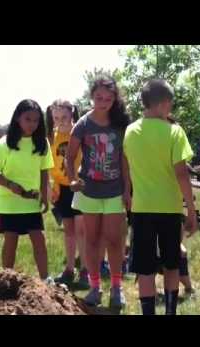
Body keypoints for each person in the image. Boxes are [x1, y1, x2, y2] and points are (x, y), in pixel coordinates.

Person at [124, 79, 198, 315]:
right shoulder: (175, 131)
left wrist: (128, 192)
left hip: (142, 208)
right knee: (171, 264)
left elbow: (127, 165)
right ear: (165, 103)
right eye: (171, 104)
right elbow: (182, 174)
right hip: (169, 208)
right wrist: (192, 210)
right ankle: (170, 312)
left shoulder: (131, 131)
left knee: (144, 268)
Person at [66, 76, 131, 309]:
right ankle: (94, 288)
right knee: (92, 240)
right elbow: (70, 156)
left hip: (114, 191)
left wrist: (127, 190)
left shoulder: (120, 123)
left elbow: (125, 160)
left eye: (108, 98)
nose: (103, 102)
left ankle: (116, 288)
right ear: (91, 96)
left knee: (115, 240)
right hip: (89, 191)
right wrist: (72, 179)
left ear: (115, 99)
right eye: (98, 97)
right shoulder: (83, 124)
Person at [0, 99, 54, 281]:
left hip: (31, 202)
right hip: (8, 203)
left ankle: (46, 280)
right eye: (28, 119)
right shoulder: (4, 144)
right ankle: (6, 280)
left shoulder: (42, 144)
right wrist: (10, 185)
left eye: (36, 120)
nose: (32, 124)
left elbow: (44, 171)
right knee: (11, 241)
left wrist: (45, 196)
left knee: (39, 239)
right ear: (18, 118)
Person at [49, 99, 89, 289]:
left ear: (72, 114)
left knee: (82, 230)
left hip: (79, 186)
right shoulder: (53, 136)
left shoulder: (79, 132)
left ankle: (85, 271)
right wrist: (54, 185)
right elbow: (52, 163)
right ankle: (69, 270)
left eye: (64, 117)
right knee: (69, 230)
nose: (60, 121)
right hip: (62, 188)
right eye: (56, 117)